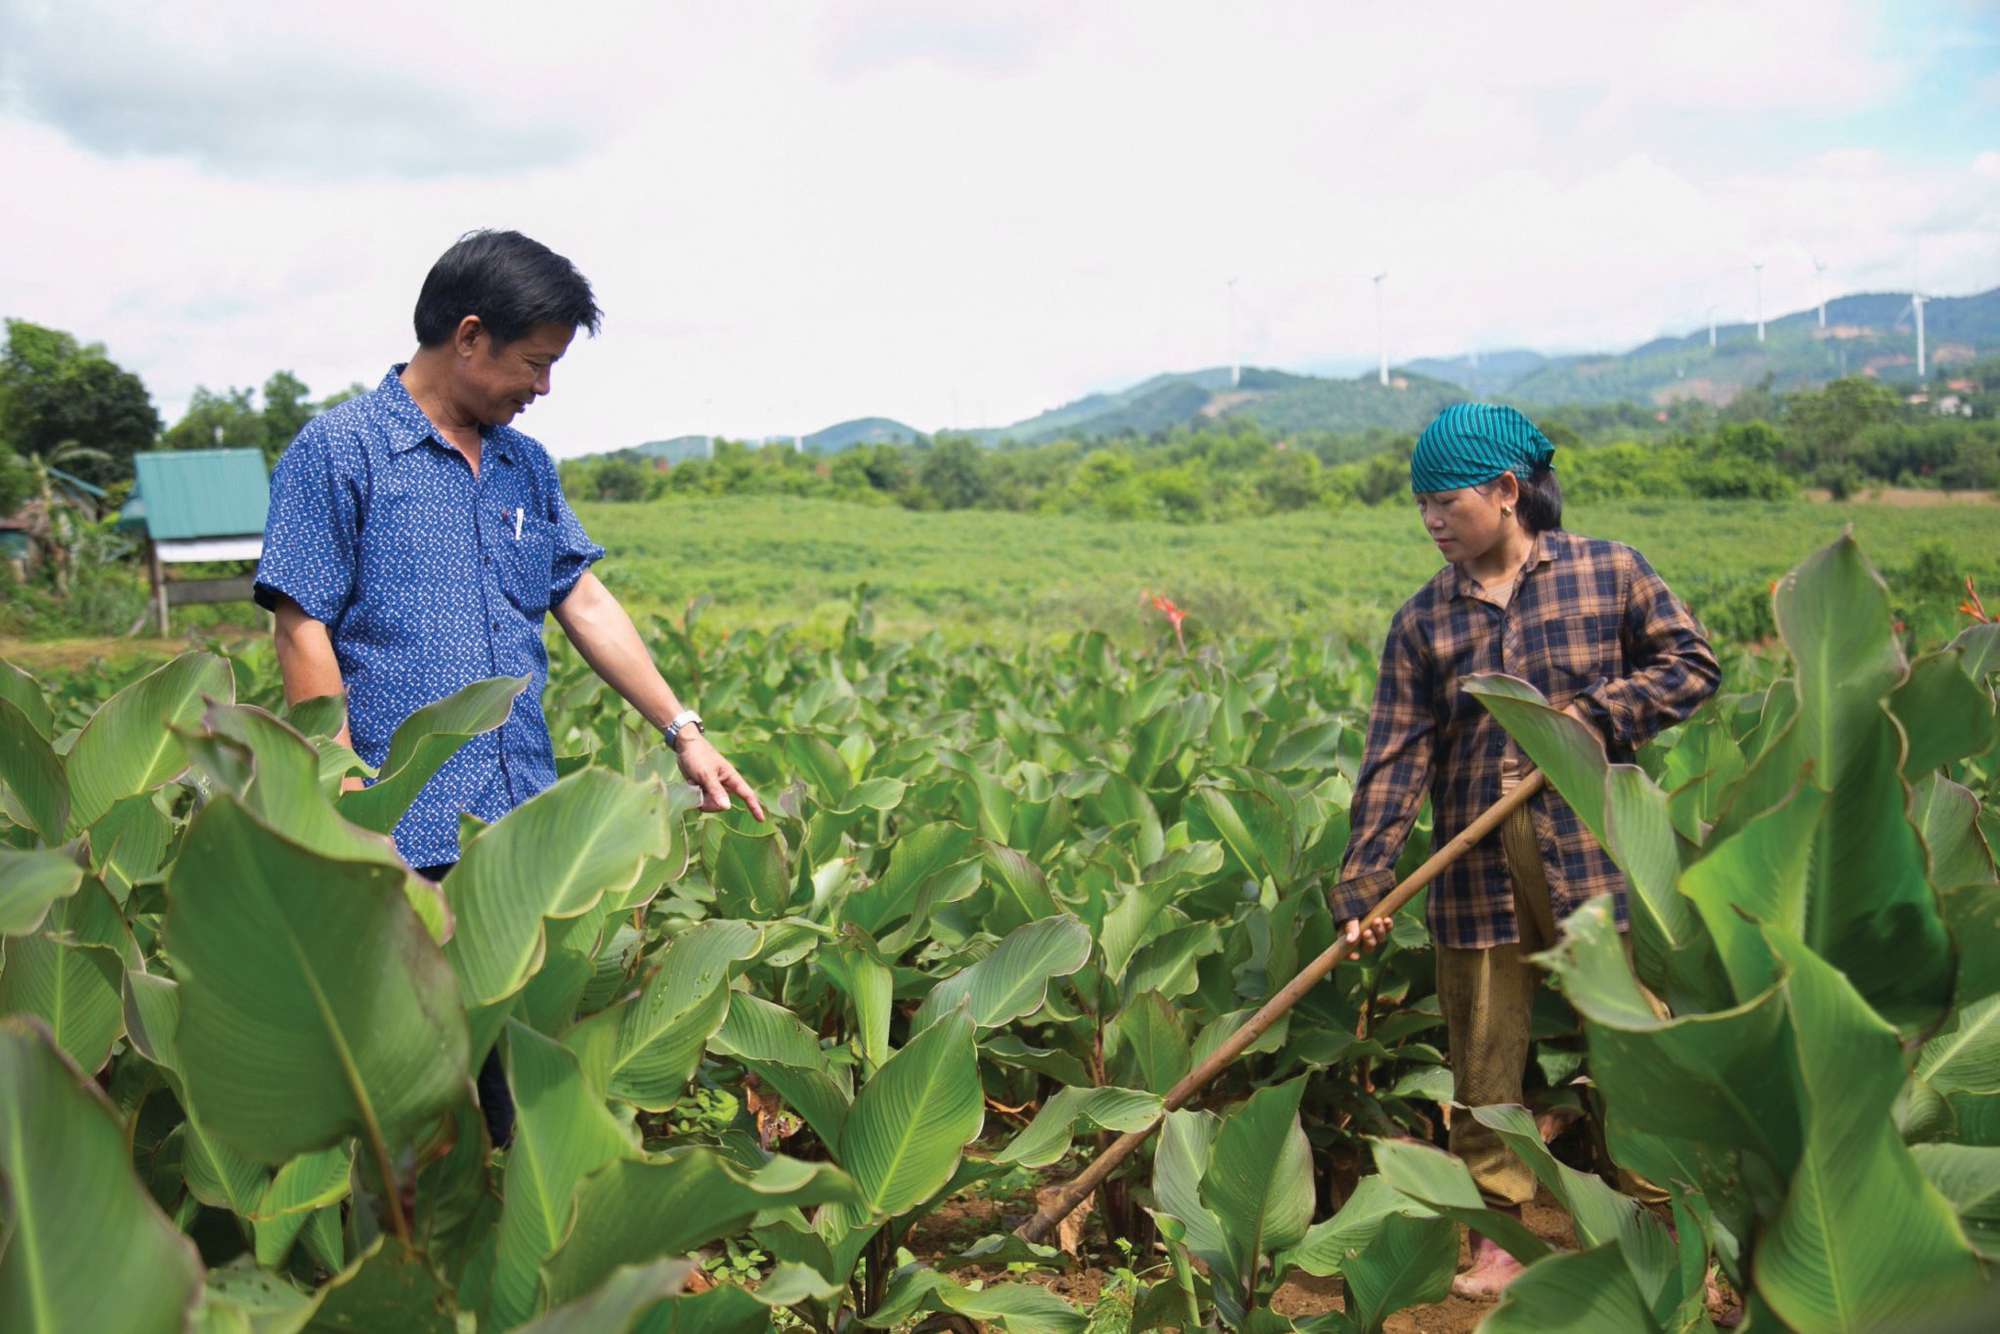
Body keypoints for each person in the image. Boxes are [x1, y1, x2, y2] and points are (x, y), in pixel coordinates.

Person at [254, 229, 763, 1147]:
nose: (544, 387)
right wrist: (344, 793)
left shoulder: (526, 465)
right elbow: (301, 621)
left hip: (516, 823)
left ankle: (534, 1249)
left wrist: (683, 728)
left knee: (520, 1063)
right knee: (414, 1077)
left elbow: (583, 596)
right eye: (536, 363)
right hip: (401, 824)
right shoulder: (342, 449)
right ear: (470, 336)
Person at [1328, 403, 1718, 1299]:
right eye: (1418, 505)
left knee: (1630, 1043)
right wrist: (1364, 884)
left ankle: (1662, 1227)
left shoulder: (1608, 571)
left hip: (1593, 855)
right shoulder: (1424, 619)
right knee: (1485, 1063)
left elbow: (1691, 664)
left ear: (1506, 491)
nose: (1430, 521)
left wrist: (1589, 718)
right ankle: (1499, 1240)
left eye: (1444, 502)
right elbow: (1396, 758)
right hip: (1474, 874)